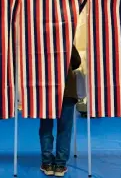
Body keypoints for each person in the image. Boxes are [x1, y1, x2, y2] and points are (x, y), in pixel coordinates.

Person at [39, 45, 81, 177]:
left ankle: (47, 163)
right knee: (64, 128)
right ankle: (60, 165)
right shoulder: (66, 38)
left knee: (46, 126)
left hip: (45, 88)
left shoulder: (38, 41)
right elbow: (76, 61)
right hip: (67, 89)